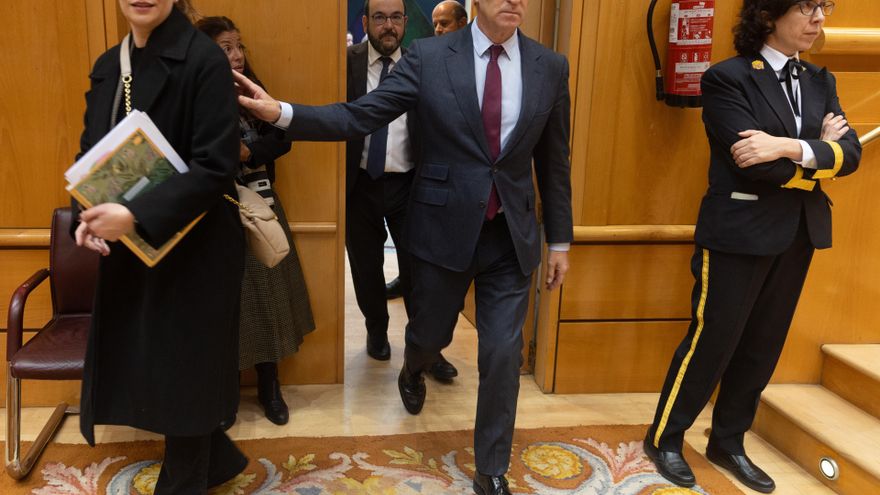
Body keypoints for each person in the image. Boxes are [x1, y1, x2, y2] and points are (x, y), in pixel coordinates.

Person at [233, 0, 573, 492]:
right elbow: (359, 116)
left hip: (510, 237)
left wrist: (559, 238)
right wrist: (282, 113)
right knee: (427, 335)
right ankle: (412, 369)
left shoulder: (550, 66)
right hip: (442, 229)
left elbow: (554, 162)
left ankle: (491, 470)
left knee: (503, 352)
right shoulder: (430, 58)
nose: (515, 0)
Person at [643, 1, 860, 492]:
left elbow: (851, 157)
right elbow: (751, 163)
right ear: (768, 15)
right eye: (808, 7)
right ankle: (665, 439)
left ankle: (728, 441)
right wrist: (815, 154)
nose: (819, 19)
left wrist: (787, 146)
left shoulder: (821, 81)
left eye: (823, 8)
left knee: (763, 343)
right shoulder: (727, 78)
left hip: (798, 232)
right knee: (713, 339)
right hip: (737, 234)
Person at [74, 0, 249, 492]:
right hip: (134, 250)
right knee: (164, 372)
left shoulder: (203, 59)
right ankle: (217, 460)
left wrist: (134, 213)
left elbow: (215, 166)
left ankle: (184, 483)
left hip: (197, 251)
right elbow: (93, 153)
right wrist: (85, 211)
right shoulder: (110, 65)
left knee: (184, 378)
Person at [195, 16, 316, 428]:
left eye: (238, 46)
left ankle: (270, 387)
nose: (237, 56)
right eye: (226, 48)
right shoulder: (195, 94)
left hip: (261, 208)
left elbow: (283, 137)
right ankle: (224, 392)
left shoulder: (251, 88)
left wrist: (249, 153)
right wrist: (236, 155)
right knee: (225, 307)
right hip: (217, 213)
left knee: (268, 300)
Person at [345, 0, 457, 381]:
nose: (388, 26)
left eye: (395, 18)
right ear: (365, 21)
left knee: (419, 273)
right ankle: (376, 330)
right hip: (358, 184)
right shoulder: (346, 62)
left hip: (409, 186)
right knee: (365, 267)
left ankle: (427, 349)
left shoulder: (422, 64)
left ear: (406, 23)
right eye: (379, 17)